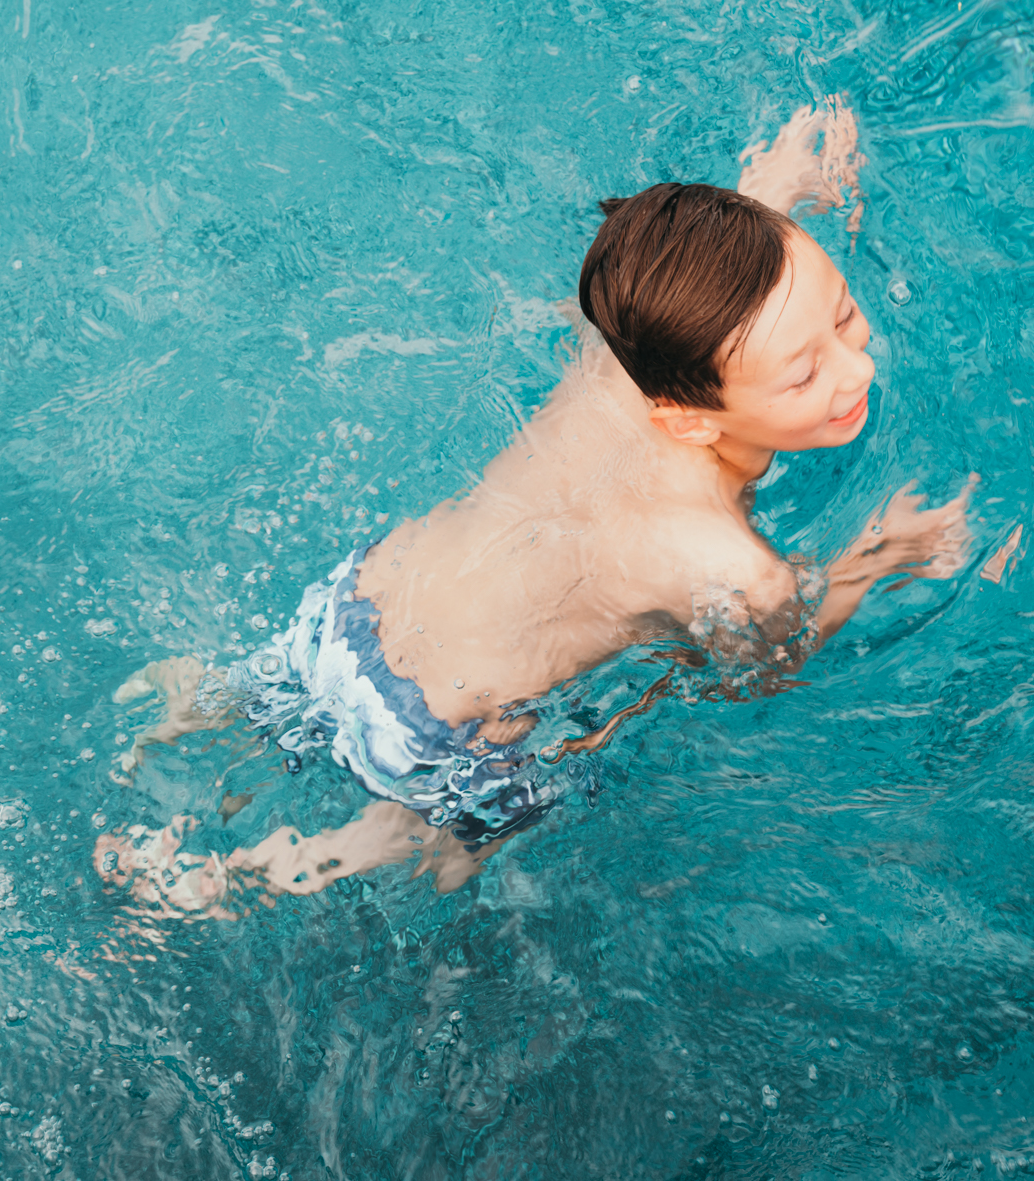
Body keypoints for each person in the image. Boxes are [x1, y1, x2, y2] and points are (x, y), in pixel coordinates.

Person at [95, 100, 974, 913]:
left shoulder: (619, 360)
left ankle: (201, 704)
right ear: (690, 417)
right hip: (446, 738)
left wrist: (774, 185)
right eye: (805, 372)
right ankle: (236, 880)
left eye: (846, 318)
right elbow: (763, 673)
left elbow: (695, 278)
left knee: (280, 695)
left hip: (353, 609)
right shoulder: (732, 565)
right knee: (448, 834)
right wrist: (879, 557)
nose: (855, 367)